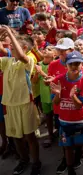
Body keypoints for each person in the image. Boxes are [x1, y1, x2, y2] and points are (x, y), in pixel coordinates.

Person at [49, 51, 83, 175]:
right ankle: (70, 170)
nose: (74, 66)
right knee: (67, 147)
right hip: (64, 121)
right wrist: (57, 94)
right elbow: (55, 103)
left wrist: (73, 96)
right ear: (66, 65)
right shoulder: (58, 80)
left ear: (82, 65)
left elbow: (79, 105)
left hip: (81, 121)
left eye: (77, 63)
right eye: (71, 64)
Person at [0, 25, 41, 175]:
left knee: (29, 136)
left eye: (13, 44)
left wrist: (10, 33)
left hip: (25, 103)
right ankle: (24, 160)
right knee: (16, 136)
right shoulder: (7, 61)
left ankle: (36, 162)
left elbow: (22, 57)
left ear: (23, 47)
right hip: (9, 104)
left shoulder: (29, 59)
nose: (10, 46)